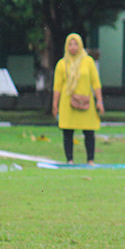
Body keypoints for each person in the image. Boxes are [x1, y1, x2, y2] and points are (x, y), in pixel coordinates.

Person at [52, 33, 104, 164]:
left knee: (89, 131)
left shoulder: (88, 62)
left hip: (86, 101)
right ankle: (69, 160)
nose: (73, 47)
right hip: (67, 102)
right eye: (70, 44)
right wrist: (55, 104)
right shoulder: (62, 64)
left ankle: (90, 160)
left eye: (76, 44)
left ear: (80, 45)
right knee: (67, 132)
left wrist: (99, 100)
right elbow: (57, 86)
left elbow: (95, 82)